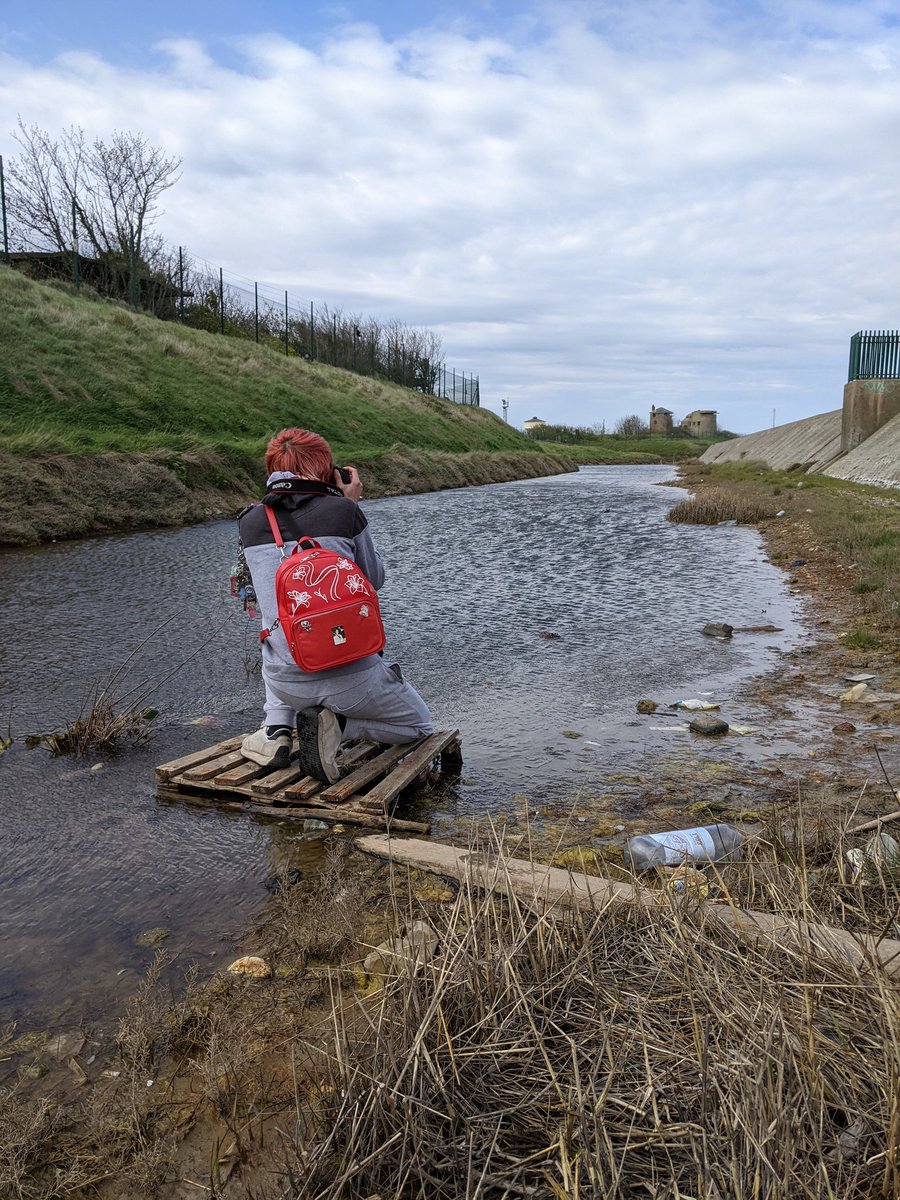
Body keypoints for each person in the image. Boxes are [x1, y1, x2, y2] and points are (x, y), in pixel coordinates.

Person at [237, 427, 433, 782]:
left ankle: (276, 728)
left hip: (284, 680)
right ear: (330, 470)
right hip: (351, 682)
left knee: (277, 622)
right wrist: (352, 505)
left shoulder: (250, 521)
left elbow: (260, 594)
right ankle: (339, 725)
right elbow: (373, 580)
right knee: (418, 725)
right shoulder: (344, 511)